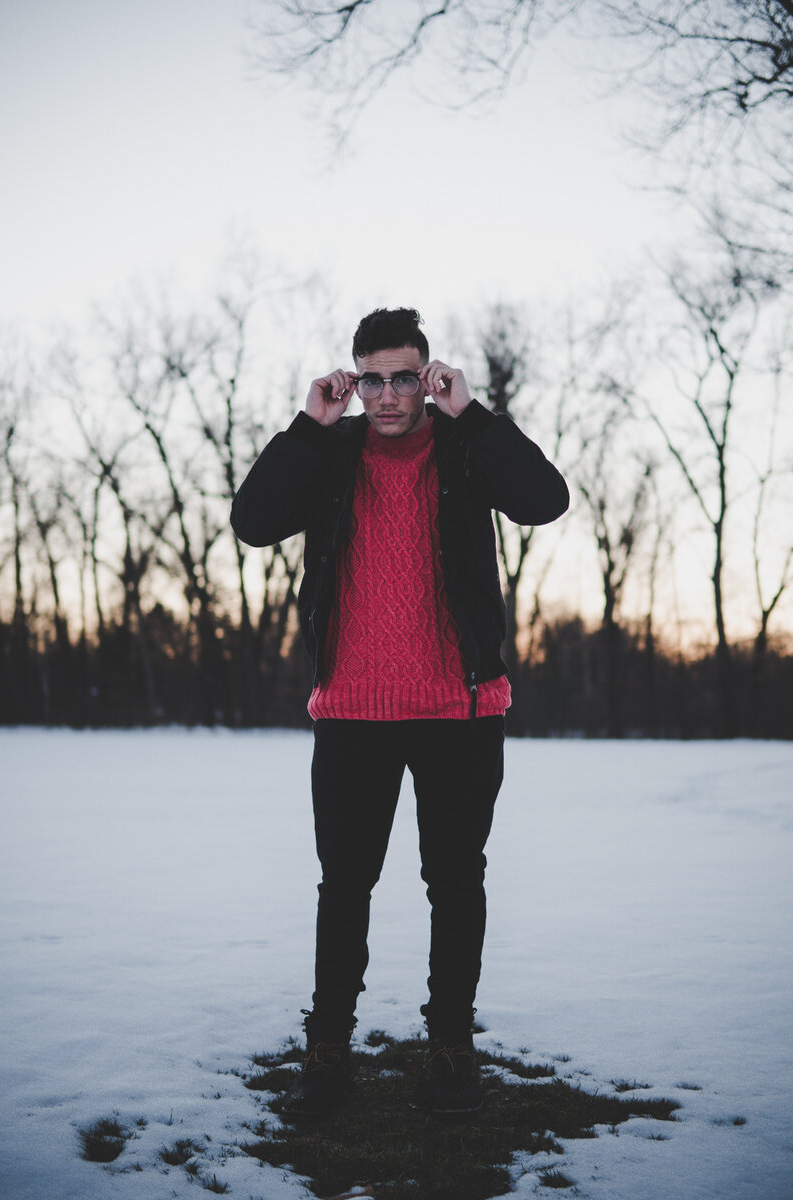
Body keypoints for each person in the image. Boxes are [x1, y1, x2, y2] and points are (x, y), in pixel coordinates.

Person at [231, 307, 569, 1118]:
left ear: (428, 377)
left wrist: (473, 414)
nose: (387, 396)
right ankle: (328, 1048)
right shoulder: (330, 453)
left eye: (404, 378)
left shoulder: (463, 448)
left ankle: (450, 1045)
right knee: (345, 885)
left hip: (459, 707)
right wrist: (307, 427)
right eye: (372, 380)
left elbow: (544, 500)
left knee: (455, 882)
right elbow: (252, 523)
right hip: (352, 710)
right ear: (353, 383)